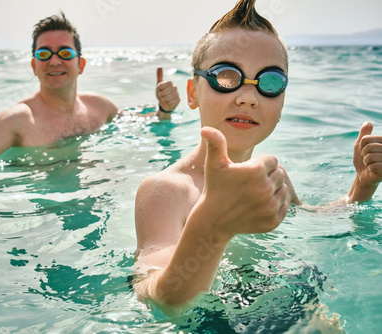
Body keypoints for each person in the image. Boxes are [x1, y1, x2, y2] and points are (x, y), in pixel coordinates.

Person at [132, 0, 382, 318]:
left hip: (283, 299)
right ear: (193, 93)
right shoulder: (166, 190)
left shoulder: (271, 174)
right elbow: (156, 296)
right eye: (226, 76)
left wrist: (361, 187)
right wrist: (212, 226)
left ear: (282, 102)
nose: (248, 97)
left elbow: (317, 218)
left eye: (270, 82)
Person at [0, 13, 180, 166]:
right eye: (43, 54)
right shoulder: (18, 121)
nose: (54, 61)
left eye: (64, 52)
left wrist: (164, 110)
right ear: (34, 66)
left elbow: (147, 123)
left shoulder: (100, 107)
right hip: (41, 220)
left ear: (80, 64)